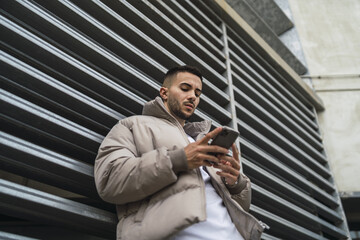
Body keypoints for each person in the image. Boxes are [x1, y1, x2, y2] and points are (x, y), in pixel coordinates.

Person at [94, 65, 265, 240]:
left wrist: (236, 184)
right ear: (164, 93)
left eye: (198, 94)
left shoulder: (200, 141)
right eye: (185, 88)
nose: (192, 96)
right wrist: (178, 159)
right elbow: (109, 180)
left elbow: (241, 209)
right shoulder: (132, 126)